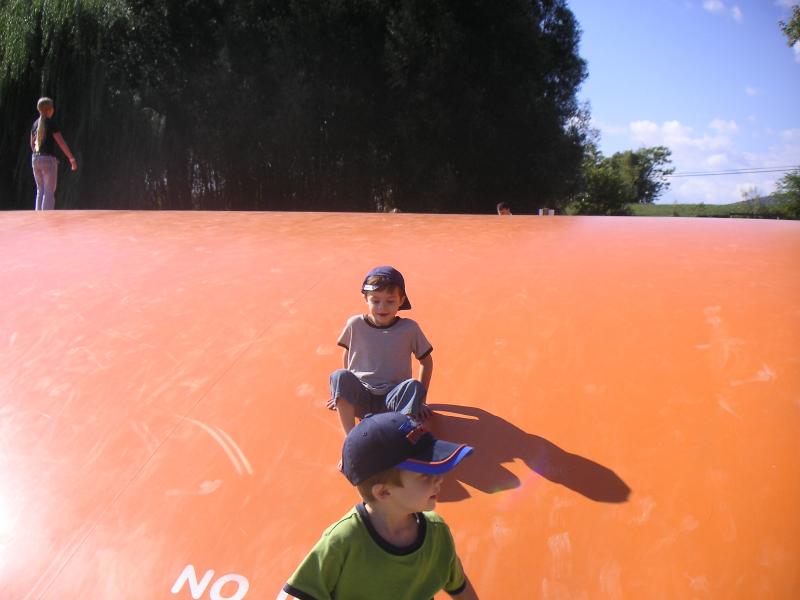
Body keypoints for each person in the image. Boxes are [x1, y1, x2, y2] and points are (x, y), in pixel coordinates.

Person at [280, 412, 478, 600]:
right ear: (383, 492)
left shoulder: (437, 532)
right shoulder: (343, 541)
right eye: (426, 475)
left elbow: (459, 586)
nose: (440, 478)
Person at [326, 266, 433, 434]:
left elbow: (426, 361)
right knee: (339, 376)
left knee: (413, 386)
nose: (382, 307)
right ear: (365, 298)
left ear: (401, 300)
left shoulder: (409, 328)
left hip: (394, 401)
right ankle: (352, 440)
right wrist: (343, 395)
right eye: (375, 301)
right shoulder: (355, 324)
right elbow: (348, 353)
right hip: (363, 398)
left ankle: (397, 436)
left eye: (390, 301)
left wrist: (420, 401)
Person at [30, 97, 78, 211]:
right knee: (49, 191)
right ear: (49, 109)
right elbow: (61, 142)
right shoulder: (51, 123)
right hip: (48, 160)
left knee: (40, 190)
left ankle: (37, 217)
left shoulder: (35, 124)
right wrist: (72, 159)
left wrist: (40, 157)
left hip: (35, 159)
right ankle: (46, 218)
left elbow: (32, 144)